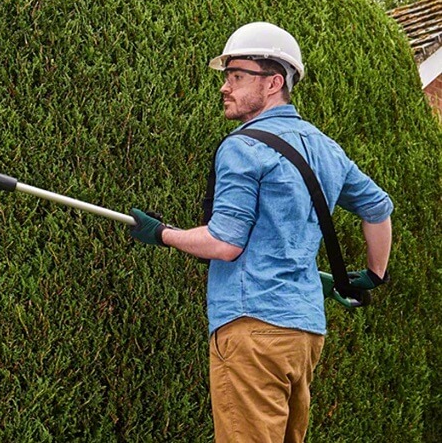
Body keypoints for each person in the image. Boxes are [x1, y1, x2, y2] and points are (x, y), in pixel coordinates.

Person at [129, 22, 393, 443]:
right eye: (226, 77)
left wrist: (163, 233)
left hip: (252, 330)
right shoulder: (326, 147)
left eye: (237, 76)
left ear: (273, 82)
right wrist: (373, 275)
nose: (225, 87)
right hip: (304, 335)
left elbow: (224, 243)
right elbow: (377, 208)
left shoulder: (243, 146)